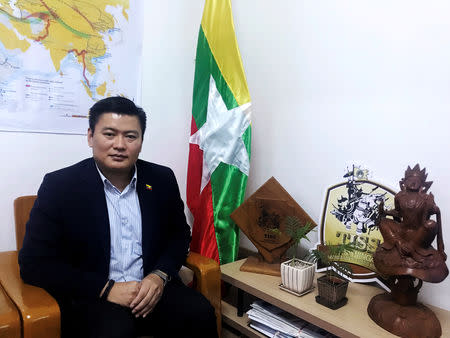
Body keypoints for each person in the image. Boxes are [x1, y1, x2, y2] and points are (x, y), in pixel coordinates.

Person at [19, 96, 217, 338]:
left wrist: (159, 275)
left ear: (141, 141)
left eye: (130, 136)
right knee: (115, 331)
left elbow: (179, 235)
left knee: (200, 313)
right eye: (109, 134)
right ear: (91, 136)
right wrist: (106, 289)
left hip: (150, 289)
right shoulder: (60, 186)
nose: (120, 145)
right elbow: (33, 264)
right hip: (93, 295)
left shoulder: (161, 179)